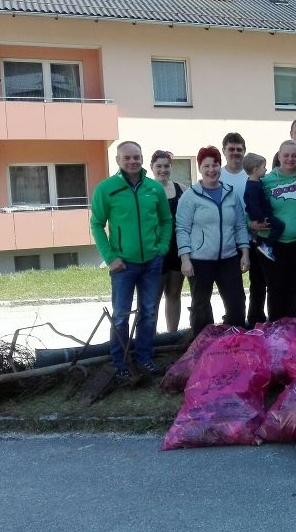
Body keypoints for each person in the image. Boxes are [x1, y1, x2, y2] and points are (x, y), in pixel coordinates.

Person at [90, 141, 172, 381]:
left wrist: (162, 248)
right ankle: (120, 362)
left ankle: (145, 359)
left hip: (152, 263)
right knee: (121, 314)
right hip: (123, 265)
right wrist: (110, 257)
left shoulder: (154, 189)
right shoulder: (106, 189)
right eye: (126, 158)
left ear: (142, 158)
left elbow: (166, 220)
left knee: (148, 312)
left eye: (136, 157)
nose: (132, 161)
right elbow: (96, 223)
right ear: (118, 160)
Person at [176, 146, 250, 336]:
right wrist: (185, 258)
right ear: (200, 168)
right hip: (199, 260)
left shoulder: (230, 193)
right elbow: (182, 229)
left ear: (220, 166)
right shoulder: (190, 196)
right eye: (206, 165)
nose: (211, 170)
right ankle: (202, 345)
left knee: (236, 303)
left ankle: (236, 342)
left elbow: (240, 225)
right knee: (201, 306)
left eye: (215, 165)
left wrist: (245, 253)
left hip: (228, 258)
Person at [258, 139, 296, 321]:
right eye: (286, 155)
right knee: (275, 287)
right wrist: (253, 224)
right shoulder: (267, 180)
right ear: (279, 156)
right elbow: (254, 206)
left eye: (294, 155)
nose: (290, 159)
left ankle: (292, 328)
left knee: (294, 287)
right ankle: (275, 329)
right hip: (273, 243)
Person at [220, 132, 266, 329]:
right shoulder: (217, 175)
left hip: (256, 237)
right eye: (231, 149)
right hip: (230, 240)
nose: (235, 153)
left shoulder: (254, 175)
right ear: (224, 151)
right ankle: (233, 323)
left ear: (244, 151)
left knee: (259, 283)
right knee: (233, 288)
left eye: (239, 149)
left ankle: (256, 321)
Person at [149, 150, 186, 332]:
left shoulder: (181, 189)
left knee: (173, 293)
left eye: (166, 166)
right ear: (152, 168)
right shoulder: (147, 190)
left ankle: (172, 335)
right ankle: (152, 338)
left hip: (177, 248)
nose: (163, 170)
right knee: (153, 298)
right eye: (159, 166)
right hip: (156, 249)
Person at [243, 153, 283, 261]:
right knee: (280, 226)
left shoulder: (257, 182)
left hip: (265, 214)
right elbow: (253, 205)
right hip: (263, 216)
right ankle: (267, 246)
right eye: (264, 167)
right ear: (255, 169)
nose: (266, 170)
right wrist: (260, 219)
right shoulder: (253, 187)